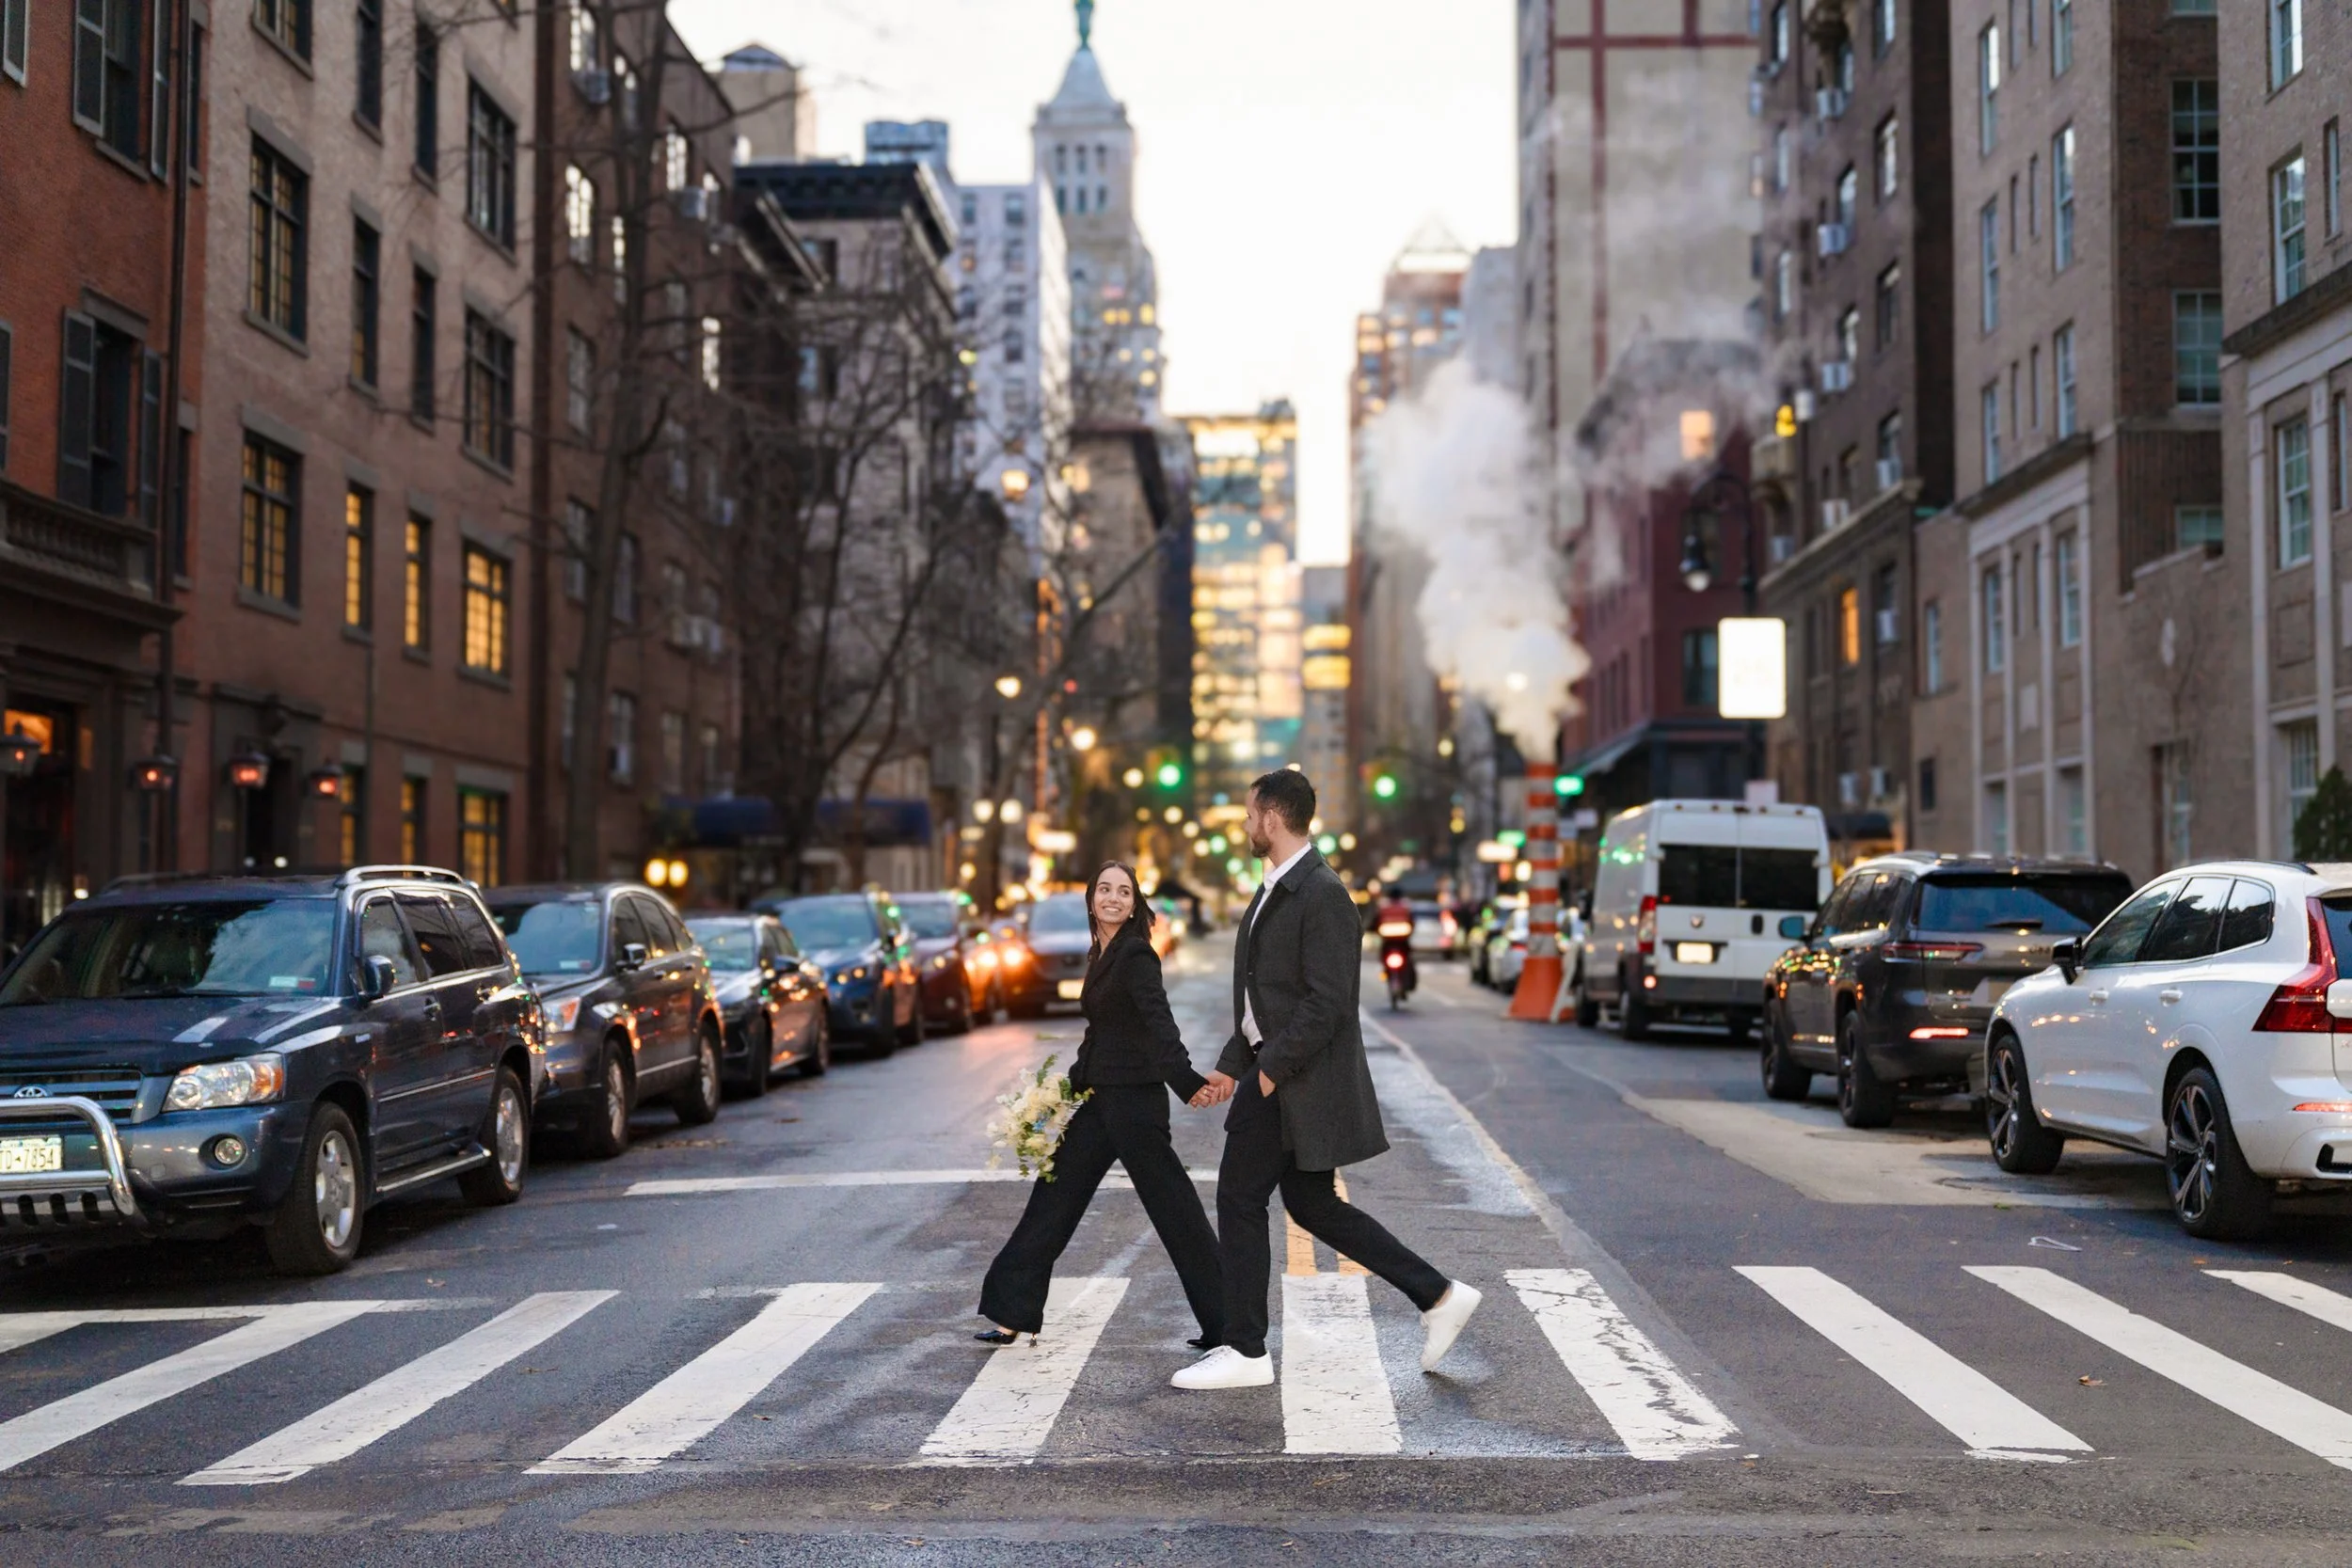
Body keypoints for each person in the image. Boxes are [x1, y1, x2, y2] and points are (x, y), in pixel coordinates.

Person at [1173, 769, 1481, 1390]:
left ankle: (1247, 1350)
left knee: (1237, 1197)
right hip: (1275, 1075)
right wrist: (1232, 1066)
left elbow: (1328, 1003)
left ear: (1275, 818)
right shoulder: (1274, 890)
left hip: (1294, 1082)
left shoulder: (1322, 892)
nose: (1244, 823)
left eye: (1249, 813)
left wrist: (1265, 1076)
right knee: (1314, 1205)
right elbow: (1265, 1003)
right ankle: (1440, 1296)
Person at [975, 861, 1225, 1349]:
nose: (1113, 898)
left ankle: (1228, 1323)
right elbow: (1100, 1034)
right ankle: (1011, 1311)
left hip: (1135, 1106)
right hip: (1100, 1101)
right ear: (1092, 898)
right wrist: (1062, 1094)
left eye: (1124, 892)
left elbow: (1159, 1023)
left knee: (1177, 1214)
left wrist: (1186, 1081)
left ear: (1135, 904)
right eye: (1105, 889)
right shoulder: (1101, 953)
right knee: (1053, 1199)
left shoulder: (1135, 955)